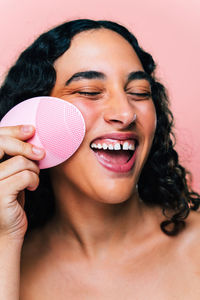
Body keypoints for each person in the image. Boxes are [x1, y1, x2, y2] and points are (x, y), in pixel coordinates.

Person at [0, 18, 200, 299]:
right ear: (32, 116)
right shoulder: (10, 257)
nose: (125, 113)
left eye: (139, 93)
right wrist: (4, 240)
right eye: (89, 92)